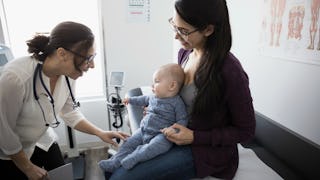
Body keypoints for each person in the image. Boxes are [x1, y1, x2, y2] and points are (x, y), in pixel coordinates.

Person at [108, 0, 256, 180]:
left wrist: (194, 137)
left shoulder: (229, 71)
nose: (176, 37)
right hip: (173, 134)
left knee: (122, 177)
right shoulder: (185, 54)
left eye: (184, 31)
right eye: (175, 26)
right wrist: (161, 107)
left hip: (203, 150)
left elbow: (246, 131)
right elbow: (180, 98)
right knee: (116, 165)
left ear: (208, 30)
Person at [0, 21, 129, 180]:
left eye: (93, 57)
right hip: (12, 153)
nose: (93, 65)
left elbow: (69, 112)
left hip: (44, 140)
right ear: (62, 53)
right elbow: (4, 132)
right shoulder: (15, 78)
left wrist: (99, 133)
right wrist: (27, 167)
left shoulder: (68, 74)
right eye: (88, 58)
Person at [99, 63, 188, 175]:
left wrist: (173, 130)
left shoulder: (177, 103)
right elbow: (142, 99)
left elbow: (182, 120)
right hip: (144, 130)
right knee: (128, 143)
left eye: (157, 81)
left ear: (172, 86)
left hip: (161, 134)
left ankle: (134, 158)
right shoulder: (152, 96)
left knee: (155, 147)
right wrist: (130, 100)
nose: (152, 85)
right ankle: (114, 162)